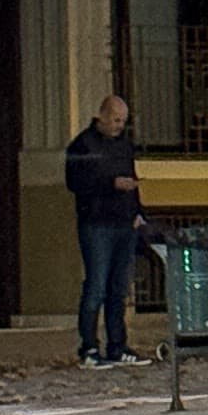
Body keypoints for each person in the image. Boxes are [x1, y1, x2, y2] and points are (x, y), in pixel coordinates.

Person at [63, 92, 142, 369]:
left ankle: (117, 346)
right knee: (95, 287)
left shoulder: (124, 146)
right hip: (96, 225)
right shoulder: (82, 145)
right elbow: (75, 183)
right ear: (102, 116)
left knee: (118, 289)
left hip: (124, 224)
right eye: (116, 120)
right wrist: (111, 184)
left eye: (123, 121)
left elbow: (132, 178)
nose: (120, 125)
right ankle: (88, 348)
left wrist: (137, 213)